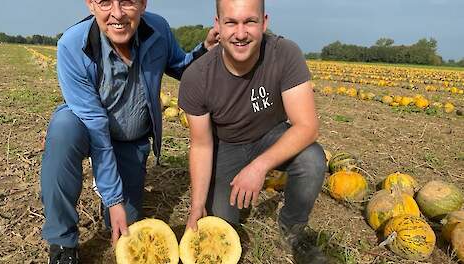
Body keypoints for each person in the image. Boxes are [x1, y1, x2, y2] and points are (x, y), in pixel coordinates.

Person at [40, 0, 217, 262]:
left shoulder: (158, 30)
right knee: (63, 131)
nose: (118, 14)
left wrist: (205, 51)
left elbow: (181, 68)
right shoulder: (72, 45)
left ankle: (108, 185)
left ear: (143, 4)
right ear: (90, 5)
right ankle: (62, 241)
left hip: (129, 139)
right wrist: (113, 199)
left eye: (128, 2)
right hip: (88, 129)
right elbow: (95, 127)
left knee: (125, 224)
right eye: (105, 2)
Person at [178, 0, 327, 262]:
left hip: (271, 135)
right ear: (218, 25)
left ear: (264, 22)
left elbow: (307, 126)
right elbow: (201, 145)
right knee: (221, 223)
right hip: (225, 145)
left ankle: (292, 229)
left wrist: (258, 167)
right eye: (231, 22)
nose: (240, 33)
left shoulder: (285, 53)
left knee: (313, 159)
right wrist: (196, 205)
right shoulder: (197, 77)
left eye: (249, 21)